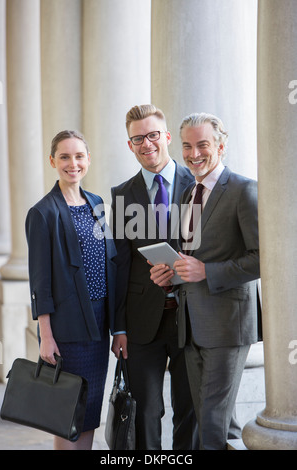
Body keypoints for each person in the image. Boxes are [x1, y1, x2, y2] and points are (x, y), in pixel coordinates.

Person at [150, 112, 260, 450]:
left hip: (227, 326)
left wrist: (206, 272)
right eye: (186, 146)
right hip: (190, 325)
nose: (194, 154)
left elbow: (261, 258)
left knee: (212, 422)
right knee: (209, 419)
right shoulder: (187, 194)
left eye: (203, 145)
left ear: (221, 146)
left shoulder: (244, 190)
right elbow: (190, 257)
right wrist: (171, 274)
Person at [111, 104, 198, 450]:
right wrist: (118, 328)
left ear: (166, 137)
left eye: (152, 135)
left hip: (191, 319)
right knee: (145, 411)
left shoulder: (198, 186)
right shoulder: (121, 195)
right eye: (137, 139)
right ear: (129, 145)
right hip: (141, 322)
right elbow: (117, 266)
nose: (146, 144)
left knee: (188, 410)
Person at [25, 130, 117, 450]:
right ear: (53, 161)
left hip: (97, 325)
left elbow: (109, 262)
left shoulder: (96, 204)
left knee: (90, 411)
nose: (72, 163)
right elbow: (40, 282)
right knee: (67, 413)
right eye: (64, 156)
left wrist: (117, 327)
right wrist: (45, 336)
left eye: (79, 156)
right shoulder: (42, 213)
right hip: (65, 329)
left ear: (88, 160)